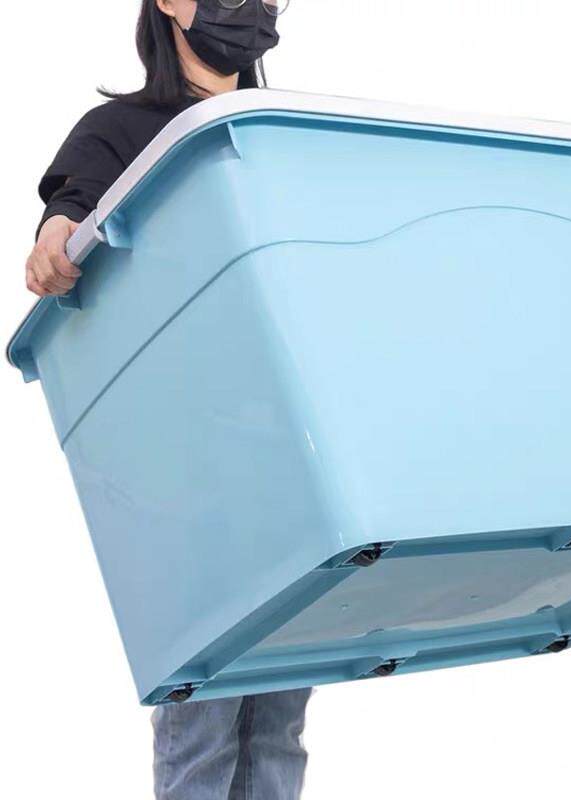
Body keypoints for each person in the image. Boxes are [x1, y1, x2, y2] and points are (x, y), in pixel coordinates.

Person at [23, 2, 314, 799]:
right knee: (205, 719)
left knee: (279, 721)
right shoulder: (122, 128)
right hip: (191, 467)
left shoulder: (281, 132)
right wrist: (53, 239)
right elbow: (72, 210)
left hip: (288, 461)